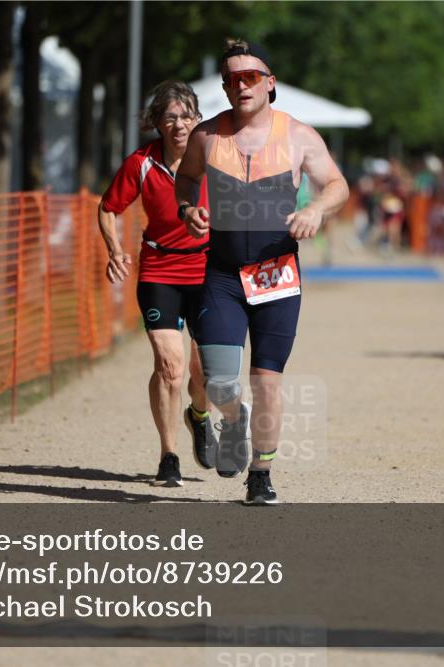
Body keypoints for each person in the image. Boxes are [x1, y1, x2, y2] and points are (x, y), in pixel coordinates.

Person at [175, 39, 349, 504]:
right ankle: (234, 419)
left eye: (250, 77)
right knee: (218, 381)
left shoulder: (299, 135)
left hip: (278, 274)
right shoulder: (206, 136)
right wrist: (187, 207)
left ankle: (261, 474)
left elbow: (336, 184)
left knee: (267, 380)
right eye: (232, 79)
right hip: (223, 275)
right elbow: (186, 178)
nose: (241, 85)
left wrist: (316, 210)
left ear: (270, 83)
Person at [98, 81, 216, 487]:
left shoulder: (215, 159)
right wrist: (115, 250)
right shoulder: (141, 164)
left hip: (207, 271)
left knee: (206, 371)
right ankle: (169, 455)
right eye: (170, 117)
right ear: (157, 123)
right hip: (159, 271)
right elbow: (108, 208)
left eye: (186, 116)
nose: (179, 125)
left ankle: (199, 415)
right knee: (169, 366)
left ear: (197, 119)